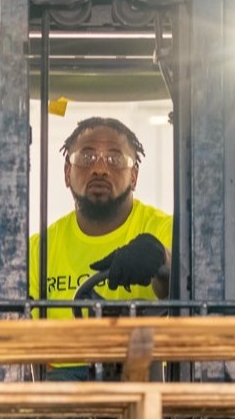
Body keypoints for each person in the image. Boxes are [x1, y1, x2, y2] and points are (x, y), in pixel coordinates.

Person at [28, 117, 172, 318]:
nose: (100, 170)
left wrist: (163, 261)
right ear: (67, 173)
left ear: (134, 176)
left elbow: (192, 282)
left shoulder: (167, 230)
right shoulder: (37, 252)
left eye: (115, 160)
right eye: (87, 158)